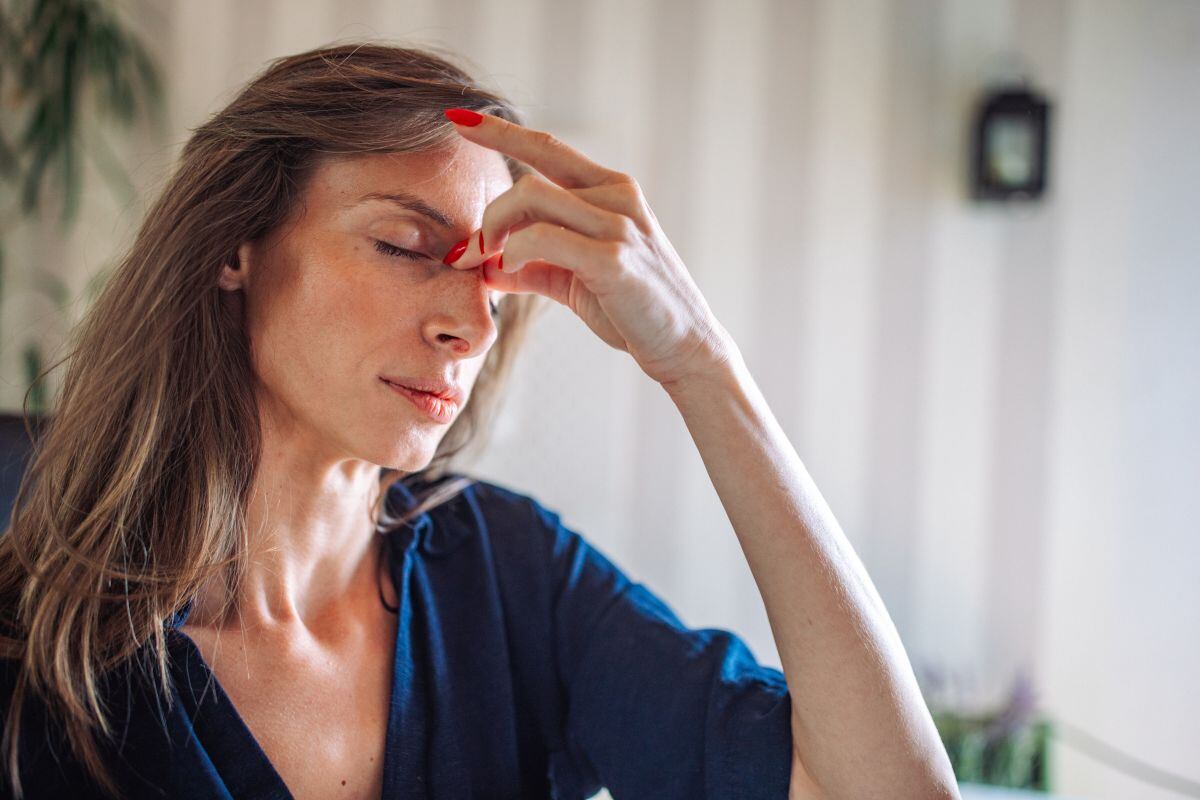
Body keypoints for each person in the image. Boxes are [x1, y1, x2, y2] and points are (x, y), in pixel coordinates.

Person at [0, 43, 958, 799]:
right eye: (406, 246)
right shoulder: (38, 646)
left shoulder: (511, 574)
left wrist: (703, 366)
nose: (468, 324)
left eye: (493, 285)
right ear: (235, 248)